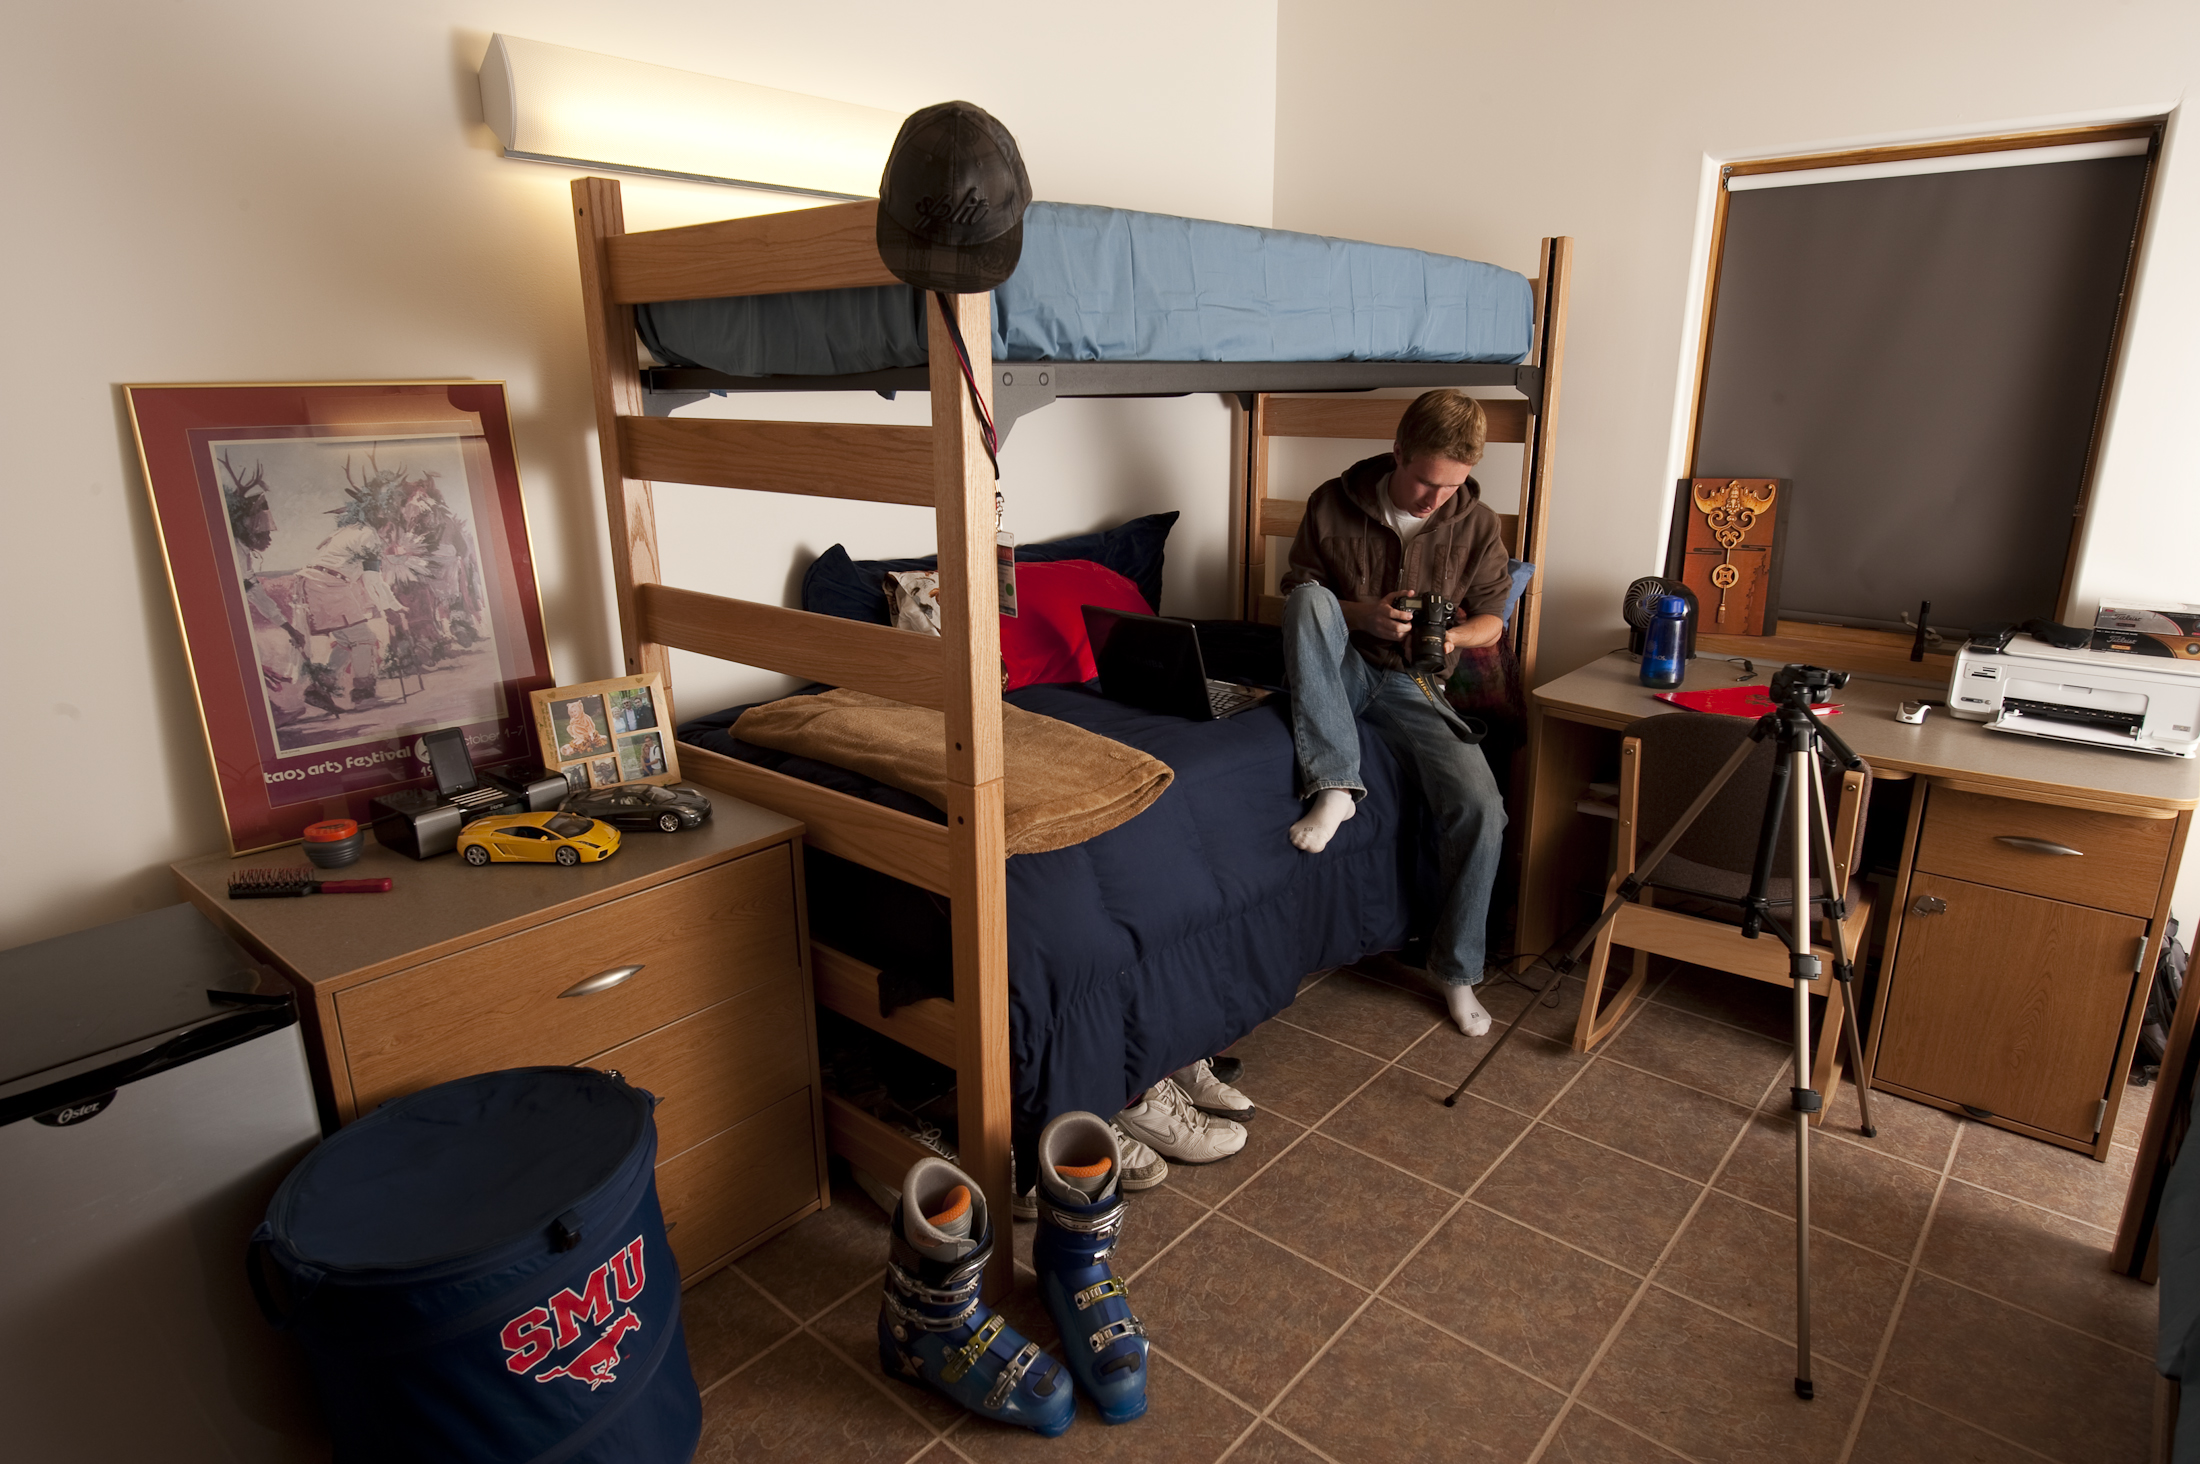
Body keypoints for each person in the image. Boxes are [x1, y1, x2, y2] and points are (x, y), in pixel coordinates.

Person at [1277, 389, 1513, 1037]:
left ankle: (1457, 971)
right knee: (1307, 604)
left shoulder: (1478, 522)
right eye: (1426, 481)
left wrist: (1452, 637)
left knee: (1483, 808)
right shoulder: (1333, 501)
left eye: (1453, 486)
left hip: (1414, 683)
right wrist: (1364, 613)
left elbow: (1493, 618)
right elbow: (1299, 589)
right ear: (1399, 451)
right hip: (1341, 668)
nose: (1436, 498)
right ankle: (1335, 787)